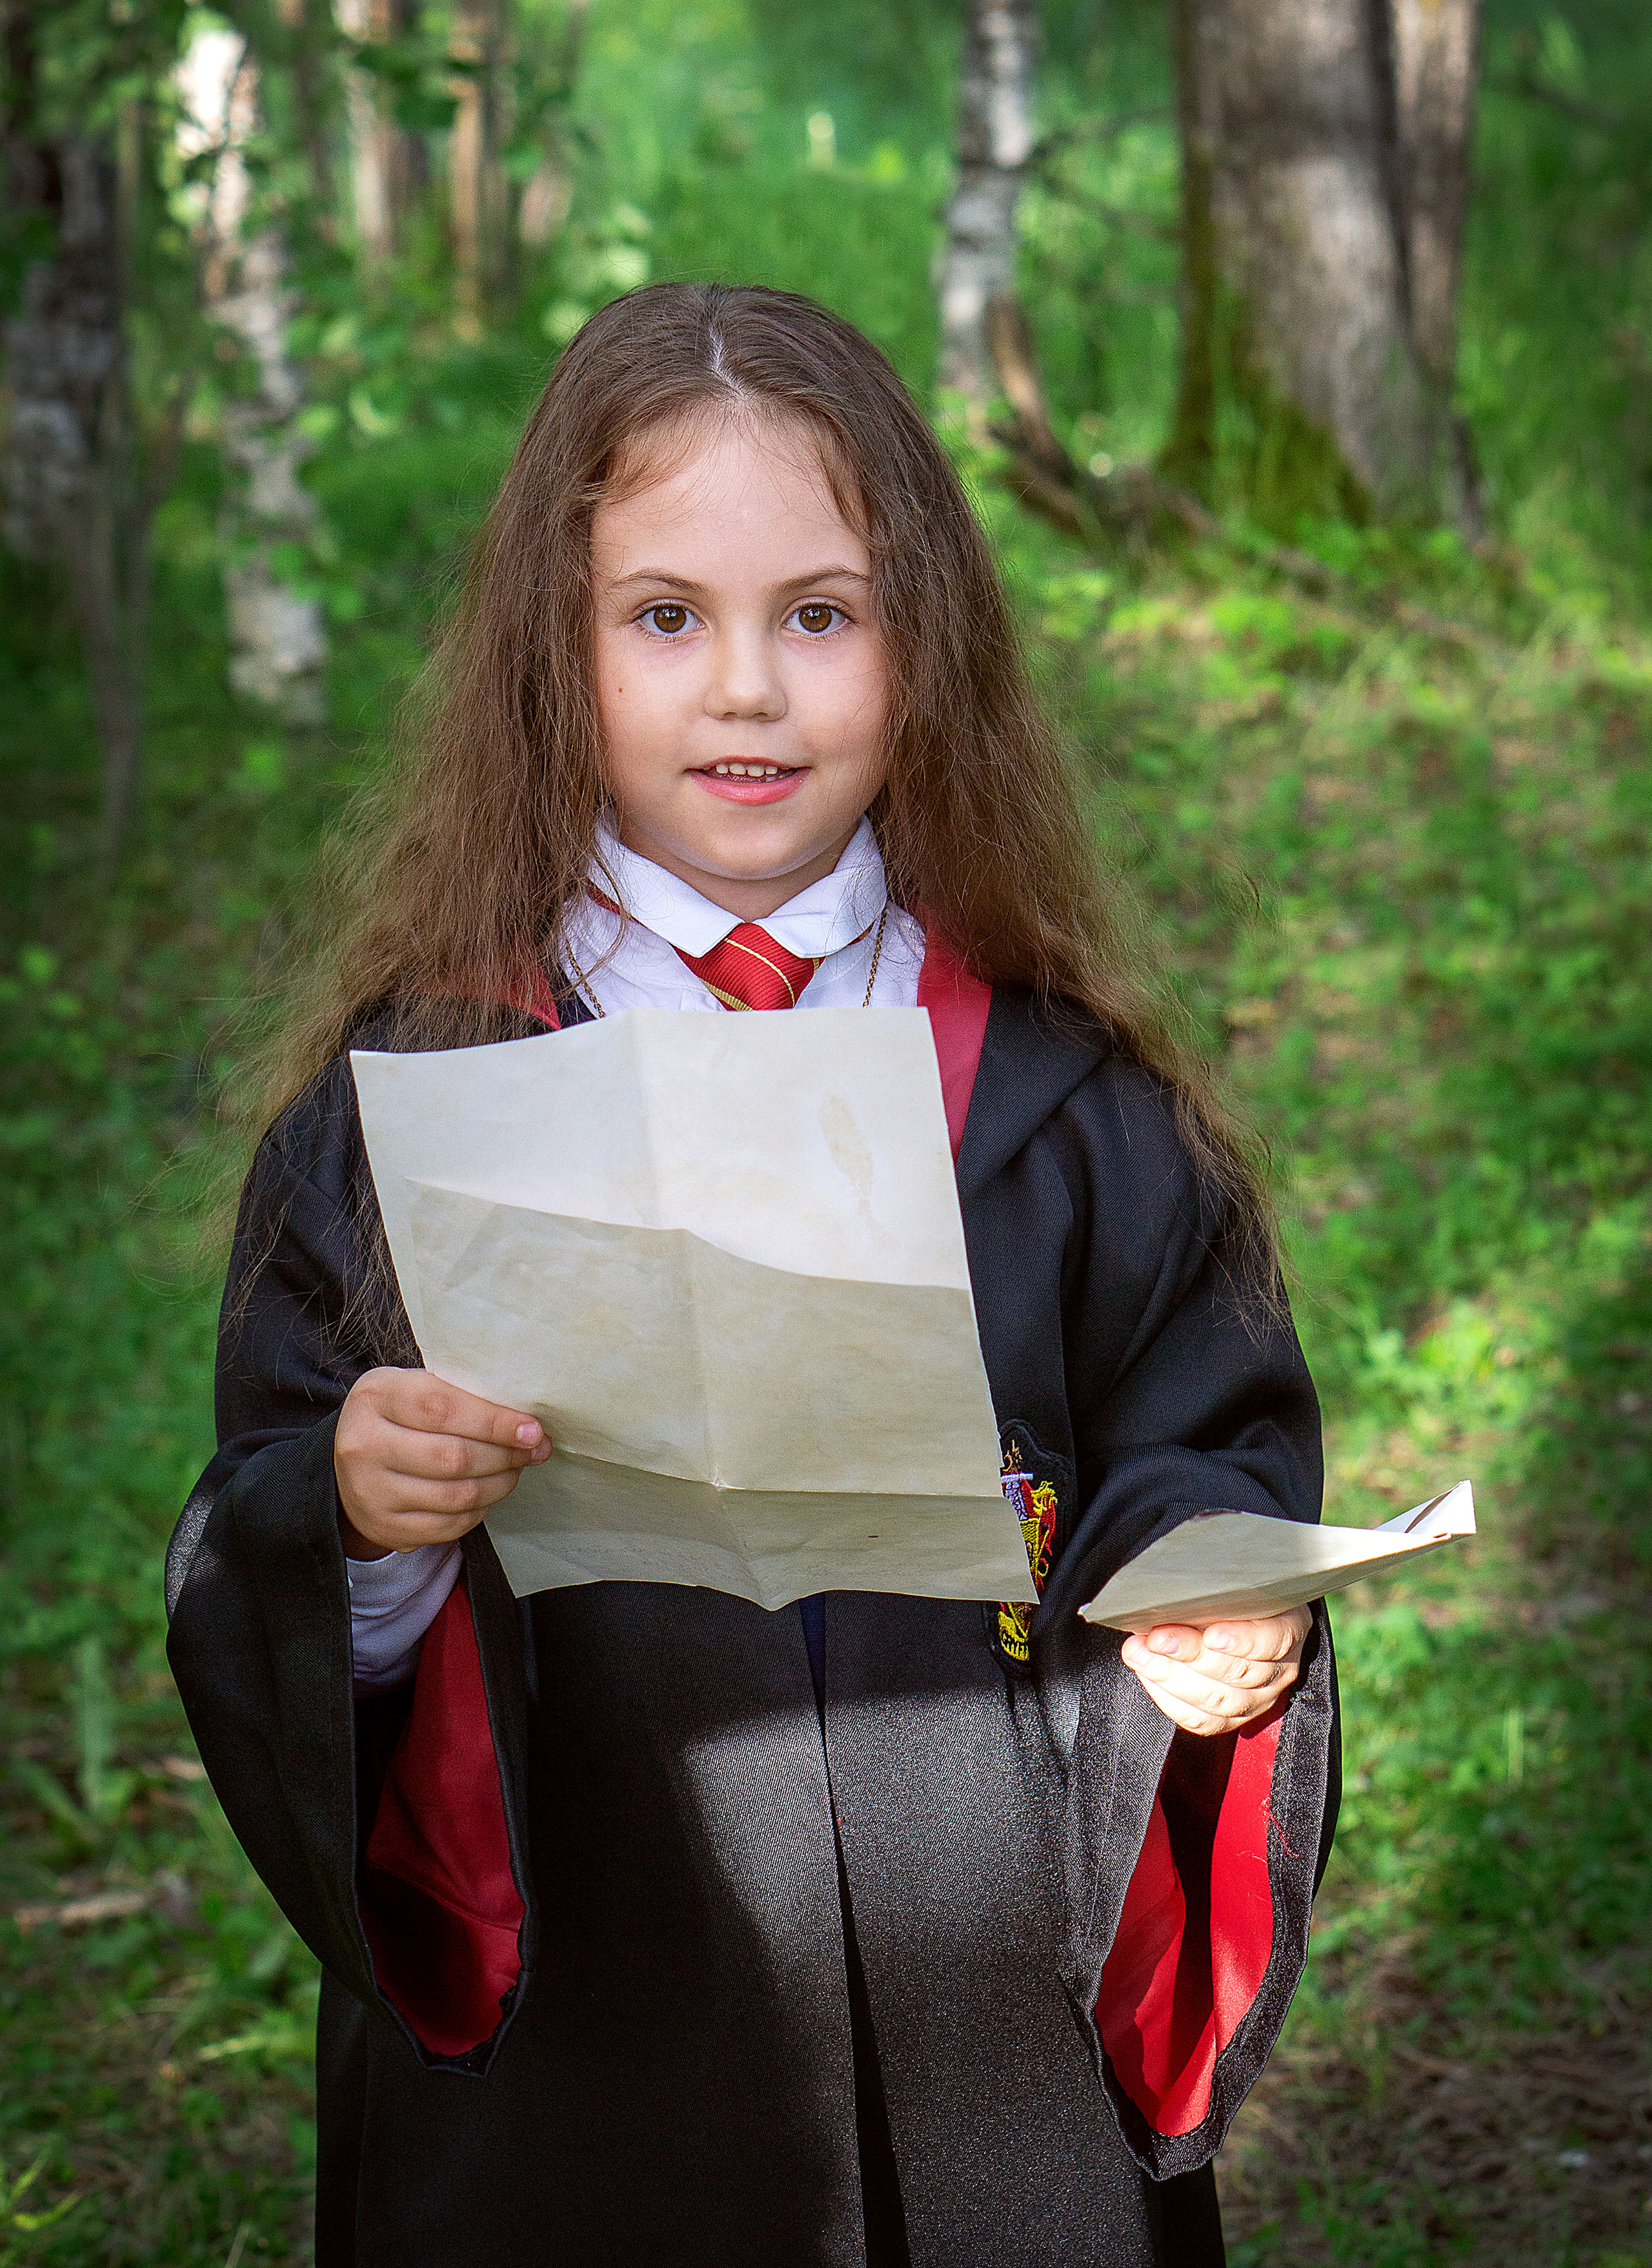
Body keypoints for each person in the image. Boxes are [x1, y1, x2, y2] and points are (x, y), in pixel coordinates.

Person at [166, 283, 1338, 2268]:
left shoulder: (1077, 1103)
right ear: (556, 649)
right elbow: (267, 1520)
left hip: (996, 2018)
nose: (746, 692)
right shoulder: (416, 1103)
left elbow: (1190, 1443)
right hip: (592, 2026)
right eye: (663, 618)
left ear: (924, 643)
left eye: (821, 612)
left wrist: (1203, 1609)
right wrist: (361, 1514)